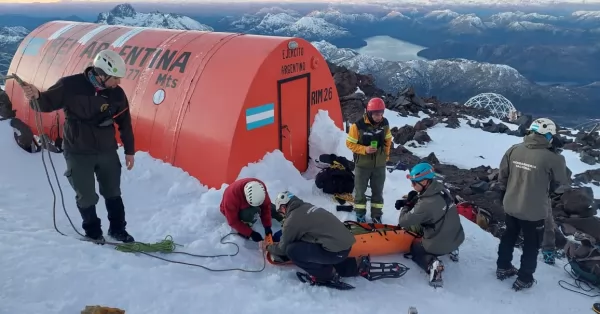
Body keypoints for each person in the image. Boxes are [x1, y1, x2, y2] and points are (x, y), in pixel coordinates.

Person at [21, 49, 135, 243]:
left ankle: (118, 230)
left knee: (113, 192)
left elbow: (125, 121)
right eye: (115, 78)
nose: (118, 83)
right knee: (87, 195)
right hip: (78, 150)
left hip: (107, 150)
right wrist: (36, 95)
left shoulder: (117, 93)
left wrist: (129, 151)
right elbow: (45, 103)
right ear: (101, 74)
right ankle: (93, 232)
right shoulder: (70, 85)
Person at [496, 118, 570, 291]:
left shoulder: (514, 149)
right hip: (534, 210)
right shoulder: (554, 158)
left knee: (509, 236)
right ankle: (524, 278)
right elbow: (562, 184)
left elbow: (503, 177)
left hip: (511, 205)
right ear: (549, 135)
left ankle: (503, 267)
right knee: (531, 245)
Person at [264, 191, 361, 286]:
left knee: (291, 250)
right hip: (345, 247)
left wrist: (268, 246)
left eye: (280, 212)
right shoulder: (307, 206)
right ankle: (351, 266)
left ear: (283, 207)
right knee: (312, 243)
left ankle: (325, 276)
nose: (282, 215)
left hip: (335, 253)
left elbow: (282, 250)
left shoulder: (292, 220)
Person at [397, 162, 465, 288]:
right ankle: (453, 249)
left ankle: (432, 264)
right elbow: (429, 204)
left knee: (415, 248)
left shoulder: (425, 204)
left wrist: (406, 206)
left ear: (424, 182)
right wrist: (413, 200)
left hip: (438, 243)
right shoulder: (443, 190)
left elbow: (403, 221)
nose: (412, 185)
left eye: (414, 182)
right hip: (457, 236)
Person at [345, 97, 392, 223]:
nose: (379, 117)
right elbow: (349, 144)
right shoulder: (357, 126)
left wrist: (385, 156)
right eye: (376, 114)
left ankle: (376, 216)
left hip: (379, 165)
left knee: (378, 192)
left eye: (381, 113)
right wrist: (364, 149)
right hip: (362, 165)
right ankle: (360, 215)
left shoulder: (385, 124)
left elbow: (388, 140)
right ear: (369, 113)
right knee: (360, 193)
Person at [219, 178, 284, 242]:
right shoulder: (231, 198)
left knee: (270, 206)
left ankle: (284, 219)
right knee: (249, 214)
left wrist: (267, 226)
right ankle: (246, 224)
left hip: (249, 201)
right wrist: (251, 233)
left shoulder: (260, 187)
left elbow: (266, 207)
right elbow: (233, 221)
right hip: (235, 210)